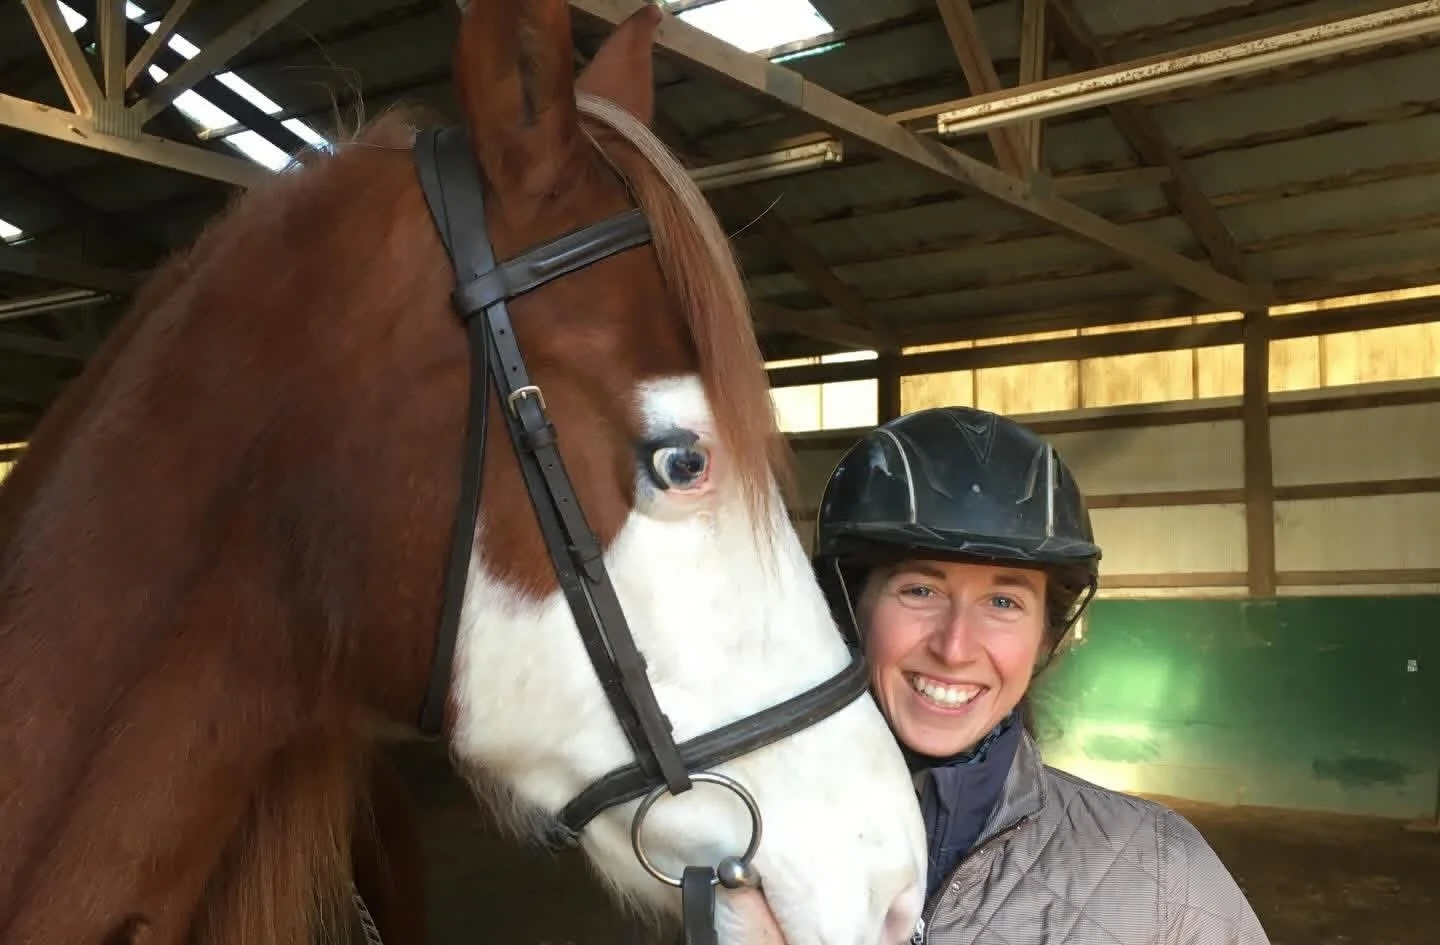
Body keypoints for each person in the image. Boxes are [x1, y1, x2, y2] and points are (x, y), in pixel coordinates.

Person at [735, 405, 1270, 945]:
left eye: (1003, 601)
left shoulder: (1161, 873)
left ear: (1044, 635)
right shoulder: (732, 853)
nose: (955, 647)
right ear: (848, 608)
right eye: (920, 590)